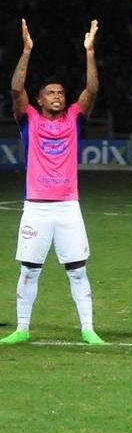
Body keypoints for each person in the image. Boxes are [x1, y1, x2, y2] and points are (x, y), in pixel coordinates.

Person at [1, 18, 103, 346]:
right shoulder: (28, 118)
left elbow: (92, 90)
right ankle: (22, 328)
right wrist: (27, 50)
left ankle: (88, 329)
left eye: (60, 92)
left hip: (68, 207)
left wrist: (89, 52)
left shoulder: (74, 117)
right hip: (36, 208)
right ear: (40, 100)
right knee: (29, 269)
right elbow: (16, 88)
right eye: (50, 93)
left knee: (77, 269)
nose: (57, 96)